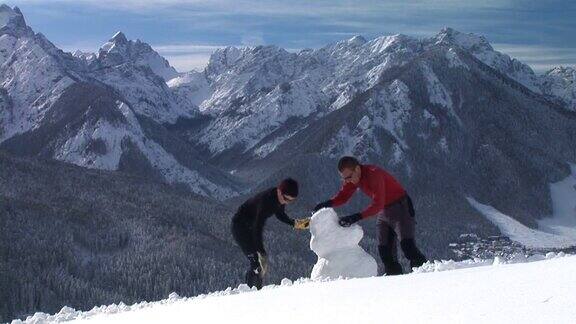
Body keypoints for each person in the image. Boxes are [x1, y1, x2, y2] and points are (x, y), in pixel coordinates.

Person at [314, 156, 427, 275]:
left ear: (357, 169)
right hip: (385, 211)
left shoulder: (374, 174)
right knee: (385, 252)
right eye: (344, 179)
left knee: (408, 247)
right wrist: (326, 204)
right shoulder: (354, 178)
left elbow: (378, 204)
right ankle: (395, 282)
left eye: (348, 177)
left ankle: (426, 275)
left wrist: (356, 217)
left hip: (401, 208)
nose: (347, 181)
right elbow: (343, 196)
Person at [231, 178, 310, 289]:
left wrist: (295, 223)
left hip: (249, 225)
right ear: (279, 191)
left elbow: (280, 214)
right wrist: (261, 252)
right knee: (256, 263)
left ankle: (254, 290)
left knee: (258, 264)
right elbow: (258, 228)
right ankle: (249, 292)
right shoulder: (267, 202)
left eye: (290, 201)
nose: (286, 202)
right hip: (240, 227)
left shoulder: (278, 198)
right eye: (286, 199)